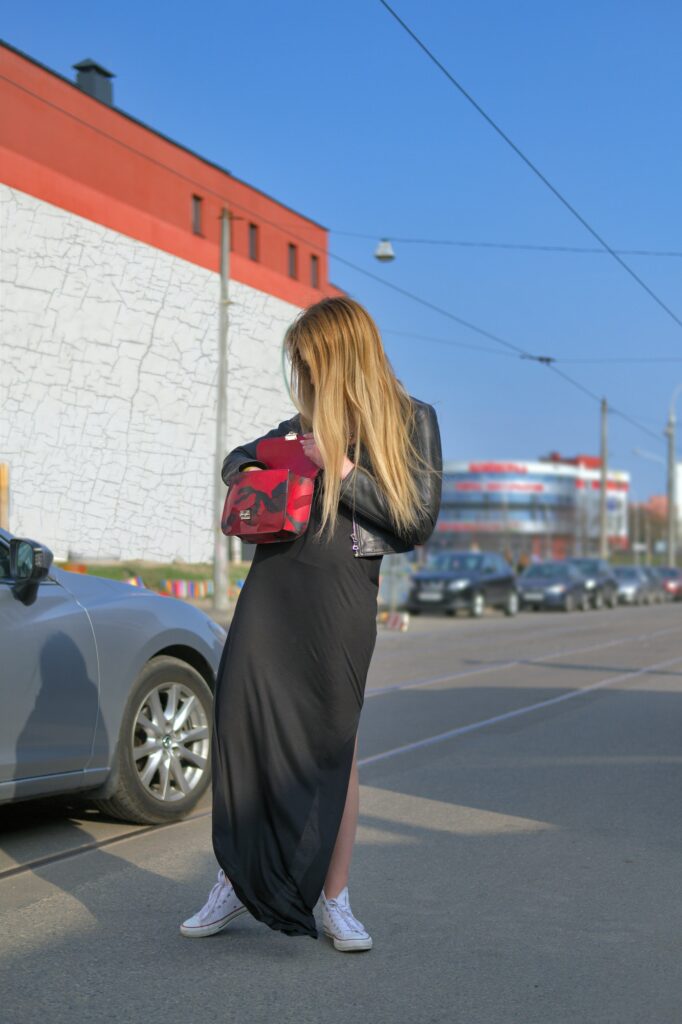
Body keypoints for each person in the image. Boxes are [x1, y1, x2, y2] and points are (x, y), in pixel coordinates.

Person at [180, 296, 442, 951]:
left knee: (334, 749)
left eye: (309, 361)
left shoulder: (412, 420)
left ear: (339, 356)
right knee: (248, 735)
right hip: (272, 592)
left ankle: (334, 900)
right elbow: (238, 456)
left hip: (340, 602)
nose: (302, 374)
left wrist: (342, 467)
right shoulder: (299, 425)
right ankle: (236, 882)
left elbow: (416, 523)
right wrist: (247, 469)